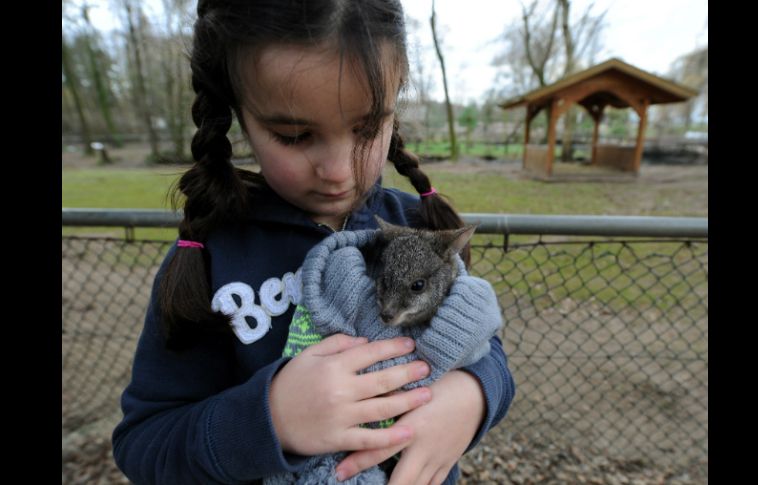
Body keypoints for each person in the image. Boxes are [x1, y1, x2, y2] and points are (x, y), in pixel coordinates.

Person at [112, 1, 515, 484]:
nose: (339, 172)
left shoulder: (414, 227)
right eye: (295, 135)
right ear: (236, 112)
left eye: (367, 128)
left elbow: (484, 346)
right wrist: (271, 421)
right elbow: (145, 443)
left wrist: (473, 396)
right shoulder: (210, 257)